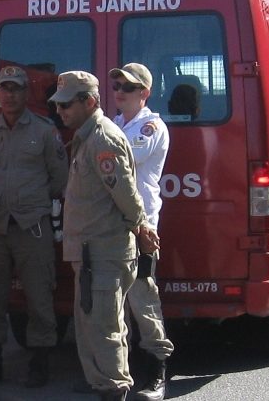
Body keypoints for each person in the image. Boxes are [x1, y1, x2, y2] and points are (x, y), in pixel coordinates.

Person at [49, 70, 160, 401]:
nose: (60, 111)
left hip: (105, 253)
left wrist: (142, 227)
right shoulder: (86, 136)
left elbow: (125, 193)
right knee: (90, 328)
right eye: (58, 104)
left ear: (90, 102)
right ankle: (103, 386)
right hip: (89, 253)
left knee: (105, 329)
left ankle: (113, 391)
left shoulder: (103, 139)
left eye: (67, 104)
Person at [0, 65, 68, 388]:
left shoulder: (43, 131)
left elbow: (59, 178)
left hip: (33, 226)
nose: (10, 94)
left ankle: (39, 362)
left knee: (40, 296)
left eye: (16, 88)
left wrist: (32, 202)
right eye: (4, 88)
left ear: (27, 93)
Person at [109, 63, 174, 401]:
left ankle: (157, 372)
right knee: (113, 304)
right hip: (111, 226)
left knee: (142, 300)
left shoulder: (150, 127)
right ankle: (120, 373)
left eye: (128, 87)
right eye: (117, 84)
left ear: (144, 93)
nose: (119, 90)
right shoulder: (116, 123)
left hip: (141, 225)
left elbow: (119, 161)